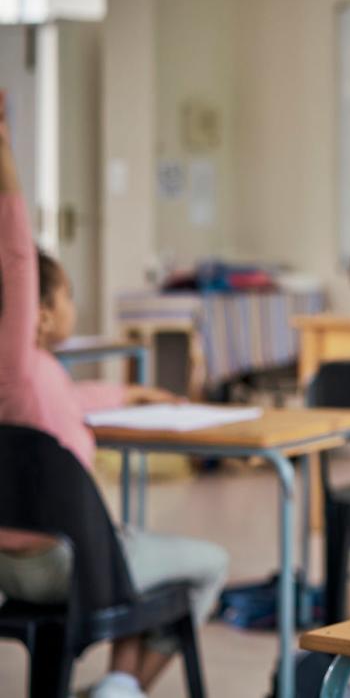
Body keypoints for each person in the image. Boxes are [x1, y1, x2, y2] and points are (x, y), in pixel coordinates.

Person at [0, 91, 230, 698]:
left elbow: (73, 402)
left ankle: (116, 686)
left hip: (8, 569)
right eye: (67, 295)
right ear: (39, 314)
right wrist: (3, 147)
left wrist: (132, 393)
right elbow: (19, 256)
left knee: (134, 546)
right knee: (206, 562)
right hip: (75, 568)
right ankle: (122, 687)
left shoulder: (30, 380)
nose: (73, 305)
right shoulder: (26, 364)